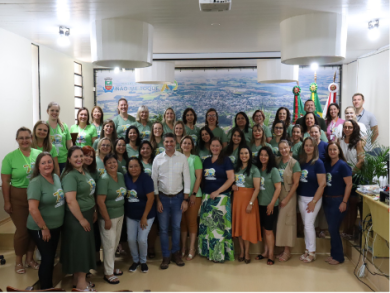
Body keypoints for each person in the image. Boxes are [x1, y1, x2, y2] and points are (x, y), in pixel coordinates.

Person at [1, 127, 41, 274]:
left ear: (32, 139)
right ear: (17, 140)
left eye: (27, 137)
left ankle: (30, 259)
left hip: (36, 196)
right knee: (23, 230)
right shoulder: (9, 157)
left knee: (34, 229)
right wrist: (7, 201)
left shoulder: (39, 154)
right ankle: (19, 261)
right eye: (21, 138)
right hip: (17, 197)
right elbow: (5, 182)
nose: (24, 140)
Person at [152, 133, 190, 269]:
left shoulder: (182, 158)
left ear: (176, 142)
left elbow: (187, 180)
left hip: (178, 198)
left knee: (176, 227)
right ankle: (166, 256)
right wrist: (157, 201)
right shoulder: (157, 159)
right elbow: (154, 181)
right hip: (162, 198)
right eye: (167, 142)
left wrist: (185, 199)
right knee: (163, 229)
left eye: (171, 142)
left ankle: (176, 254)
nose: (169, 144)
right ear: (163, 143)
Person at [60, 146, 97, 291]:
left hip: (87, 213)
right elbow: (70, 200)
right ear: (69, 159)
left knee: (81, 248)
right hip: (76, 217)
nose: (79, 159)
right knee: (80, 249)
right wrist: (81, 219)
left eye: (81, 156)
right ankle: (82, 284)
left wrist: (93, 210)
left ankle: (76, 280)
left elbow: (88, 193)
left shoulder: (84, 171)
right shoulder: (70, 175)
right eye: (75, 156)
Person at [27, 152, 65, 289]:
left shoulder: (56, 177)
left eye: (49, 162)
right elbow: (32, 209)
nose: (47, 165)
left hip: (56, 226)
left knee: (51, 258)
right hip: (41, 228)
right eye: (43, 163)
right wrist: (44, 228)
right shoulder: (36, 182)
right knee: (47, 259)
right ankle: (46, 288)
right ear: (38, 166)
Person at [198, 137, 235, 263]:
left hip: (221, 198)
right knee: (208, 227)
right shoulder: (206, 161)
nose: (215, 148)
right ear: (210, 147)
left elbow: (231, 179)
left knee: (217, 228)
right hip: (207, 198)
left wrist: (218, 192)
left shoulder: (226, 160)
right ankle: (207, 252)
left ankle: (218, 255)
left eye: (217, 146)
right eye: (213, 145)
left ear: (221, 147)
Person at [96, 153, 126, 284]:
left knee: (114, 243)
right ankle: (108, 273)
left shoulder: (120, 176)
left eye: (114, 162)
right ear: (105, 166)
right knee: (108, 245)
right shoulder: (104, 179)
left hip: (120, 214)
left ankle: (111, 267)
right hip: (108, 217)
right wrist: (106, 219)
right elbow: (100, 201)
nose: (112, 165)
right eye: (109, 163)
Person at [297, 137, 326, 263]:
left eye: (311, 145)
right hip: (301, 198)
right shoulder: (302, 162)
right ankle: (307, 250)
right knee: (306, 225)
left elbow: (322, 184)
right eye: (306, 145)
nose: (308, 147)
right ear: (303, 147)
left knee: (309, 225)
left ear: (314, 147)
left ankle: (312, 252)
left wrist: (314, 201)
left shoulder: (318, 163)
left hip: (313, 199)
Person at [125, 157, 156, 273]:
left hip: (146, 215)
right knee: (131, 239)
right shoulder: (125, 178)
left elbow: (151, 198)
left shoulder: (146, 179)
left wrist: (144, 216)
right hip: (131, 215)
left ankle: (143, 261)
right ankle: (135, 260)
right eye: (131, 166)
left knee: (142, 239)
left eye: (136, 166)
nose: (133, 169)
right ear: (127, 168)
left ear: (140, 167)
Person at [323, 142, 352, 265]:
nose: (332, 152)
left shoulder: (343, 165)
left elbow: (349, 184)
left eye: (335, 149)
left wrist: (344, 201)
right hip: (327, 200)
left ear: (339, 151)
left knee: (333, 228)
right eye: (330, 150)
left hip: (338, 200)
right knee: (331, 229)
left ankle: (339, 257)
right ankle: (334, 254)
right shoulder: (327, 165)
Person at [231, 146, 261, 264]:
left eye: (246, 153)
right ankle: (242, 251)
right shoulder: (236, 168)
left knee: (247, 228)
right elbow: (232, 182)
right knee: (239, 226)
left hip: (249, 200)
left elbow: (257, 188)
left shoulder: (254, 169)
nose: (244, 155)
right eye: (242, 153)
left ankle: (247, 252)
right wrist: (232, 186)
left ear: (250, 155)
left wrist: (251, 203)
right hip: (237, 200)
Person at [255, 146, 282, 265]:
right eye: (261, 155)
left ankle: (271, 254)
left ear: (269, 157)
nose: (263, 157)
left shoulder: (273, 170)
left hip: (270, 205)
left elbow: (278, 188)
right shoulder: (257, 170)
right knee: (263, 229)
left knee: (269, 231)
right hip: (259, 204)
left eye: (266, 155)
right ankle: (265, 252)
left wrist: (271, 203)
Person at [275, 140, 301, 262]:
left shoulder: (294, 163)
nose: (283, 150)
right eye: (281, 148)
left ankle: (287, 251)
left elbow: (296, 184)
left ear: (289, 148)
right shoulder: (278, 161)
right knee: (280, 223)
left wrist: (286, 199)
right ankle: (282, 249)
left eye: (285, 148)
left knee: (288, 222)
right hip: (278, 194)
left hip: (289, 195)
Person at [338, 119, 365, 239]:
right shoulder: (339, 141)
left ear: (354, 129)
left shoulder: (358, 142)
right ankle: (345, 229)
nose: (347, 129)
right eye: (345, 127)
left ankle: (350, 230)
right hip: (342, 176)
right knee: (344, 202)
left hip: (354, 176)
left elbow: (361, 160)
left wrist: (351, 172)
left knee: (353, 203)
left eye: (350, 127)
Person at [179, 136, 203, 261]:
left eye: (189, 143)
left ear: (192, 146)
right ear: (181, 145)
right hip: (180, 196)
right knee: (183, 223)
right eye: (184, 143)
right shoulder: (177, 158)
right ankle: (183, 247)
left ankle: (192, 248)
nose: (187, 145)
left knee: (192, 222)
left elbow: (198, 178)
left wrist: (193, 194)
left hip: (194, 195)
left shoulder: (195, 159)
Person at [82, 146, 101, 264]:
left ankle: (96, 259)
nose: (88, 158)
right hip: (79, 209)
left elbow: (96, 193)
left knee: (95, 235)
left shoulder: (94, 172)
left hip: (91, 207)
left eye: (91, 156)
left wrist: (95, 210)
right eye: (86, 155)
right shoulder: (74, 171)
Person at [46, 102, 72, 173]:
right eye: (52, 110)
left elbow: (69, 144)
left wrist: (72, 157)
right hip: (49, 161)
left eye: (57, 111)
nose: (54, 112)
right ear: (47, 111)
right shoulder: (44, 126)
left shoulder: (64, 126)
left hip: (63, 160)